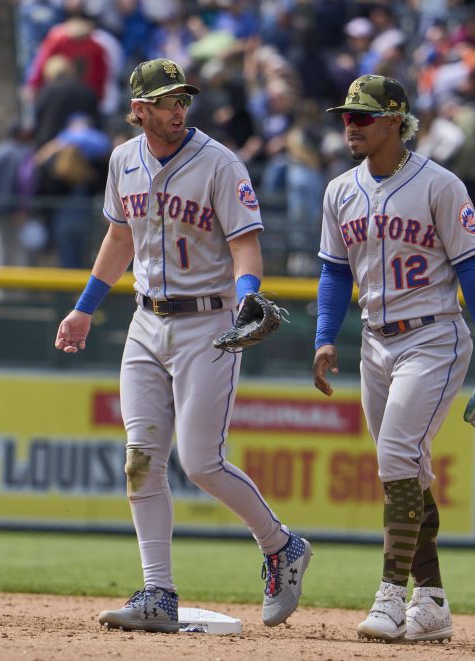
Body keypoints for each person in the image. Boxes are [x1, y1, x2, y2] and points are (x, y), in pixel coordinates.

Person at [53, 58, 311, 632]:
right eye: (168, 100)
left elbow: (246, 243)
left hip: (208, 324)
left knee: (200, 461)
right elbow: (120, 239)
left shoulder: (220, 163)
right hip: (145, 323)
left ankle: (281, 545)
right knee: (141, 459)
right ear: (139, 109)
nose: (179, 108)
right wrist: (83, 309)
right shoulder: (124, 160)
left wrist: (248, 295)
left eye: (183, 98)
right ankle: (158, 592)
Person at [312, 74, 475, 643]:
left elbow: (473, 268)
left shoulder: (440, 184)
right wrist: (324, 336)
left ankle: (389, 598)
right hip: (374, 341)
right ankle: (431, 602)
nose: (349, 125)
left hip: (433, 337)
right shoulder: (339, 190)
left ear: (395, 122)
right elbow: (334, 271)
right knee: (408, 470)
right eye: (347, 116)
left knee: (396, 455)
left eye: (362, 116)